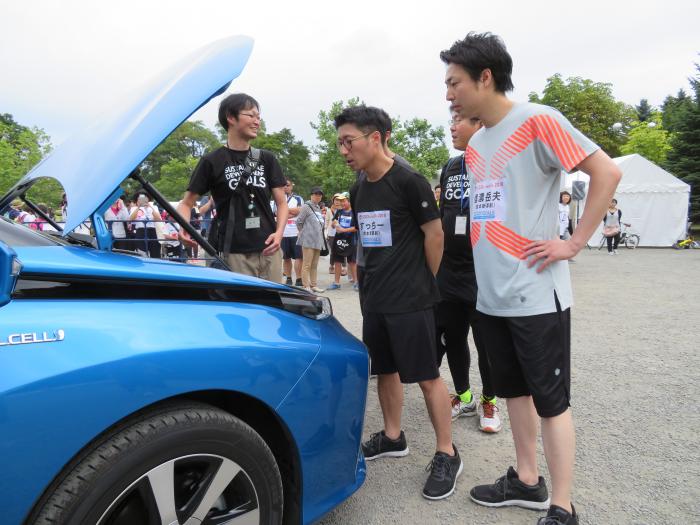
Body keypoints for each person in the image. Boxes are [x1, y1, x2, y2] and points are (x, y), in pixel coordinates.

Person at [442, 32, 621, 524]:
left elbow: (605, 173)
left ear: (485, 77)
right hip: (492, 295)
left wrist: (574, 242)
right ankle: (526, 481)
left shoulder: (539, 120)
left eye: (454, 82)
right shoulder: (476, 145)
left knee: (551, 401)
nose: (449, 93)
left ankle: (563, 506)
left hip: (538, 294)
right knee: (513, 392)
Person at [337, 105, 461, 501]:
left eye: (348, 141)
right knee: (385, 370)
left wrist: (422, 281)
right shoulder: (359, 188)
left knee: (426, 376)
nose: (343, 149)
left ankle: (447, 451)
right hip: (375, 297)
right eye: (339, 142)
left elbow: (435, 235)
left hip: (411, 299)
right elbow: (369, 242)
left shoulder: (409, 180)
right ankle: (393, 436)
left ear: (376, 137)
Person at [436, 110, 501, 433]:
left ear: (480, 124)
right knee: (454, 337)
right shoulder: (450, 166)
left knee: (486, 342)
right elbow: (443, 214)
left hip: (482, 270)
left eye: (458, 120)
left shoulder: (497, 162)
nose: (451, 127)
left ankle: (490, 400)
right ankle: (464, 396)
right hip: (449, 271)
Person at [176, 93, 288, 281]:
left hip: (269, 249)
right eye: (251, 115)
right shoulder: (212, 161)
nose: (257, 122)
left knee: (273, 305)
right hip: (233, 252)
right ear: (230, 117)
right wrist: (183, 227)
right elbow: (186, 203)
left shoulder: (267, 159)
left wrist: (279, 233)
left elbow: (282, 203)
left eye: (258, 117)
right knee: (241, 307)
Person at [295, 187, 326, 293]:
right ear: (311, 195)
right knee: (307, 264)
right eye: (316, 194)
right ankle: (306, 285)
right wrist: (302, 232)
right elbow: (299, 221)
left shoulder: (318, 207)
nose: (318, 196)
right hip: (308, 240)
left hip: (318, 240)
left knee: (314, 265)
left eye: (320, 195)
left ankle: (314, 285)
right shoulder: (306, 206)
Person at [275, 178, 304, 286]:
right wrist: (292, 212)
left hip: (296, 232)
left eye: (287, 185)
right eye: (284, 185)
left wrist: (284, 212)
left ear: (291, 186)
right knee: (286, 257)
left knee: (299, 257)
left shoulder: (298, 198)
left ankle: (299, 278)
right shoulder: (276, 198)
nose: (285, 187)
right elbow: (275, 213)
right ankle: (288, 277)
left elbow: (300, 211)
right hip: (283, 233)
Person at [327, 194, 358, 290]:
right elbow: (333, 223)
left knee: (352, 262)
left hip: (351, 240)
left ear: (349, 201)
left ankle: (357, 283)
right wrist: (334, 224)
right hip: (339, 240)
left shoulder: (354, 212)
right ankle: (336, 283)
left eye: (344, 201)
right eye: (340, 201)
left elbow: (357, 228)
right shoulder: (339, 211)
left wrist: (344, 230)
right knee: (337, 261)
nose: (341, 203)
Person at [130, 192, 162, 258]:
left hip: (153, 230)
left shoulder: (154, 207)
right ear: (137, 200)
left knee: (155, 251)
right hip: (140, 230)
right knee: (142, 252)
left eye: (145, 198)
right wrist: (138, 207)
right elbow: (131, 219)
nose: (143, 200)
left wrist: (150, 207)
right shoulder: (134, 208)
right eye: (140, 198)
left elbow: (158, 219)